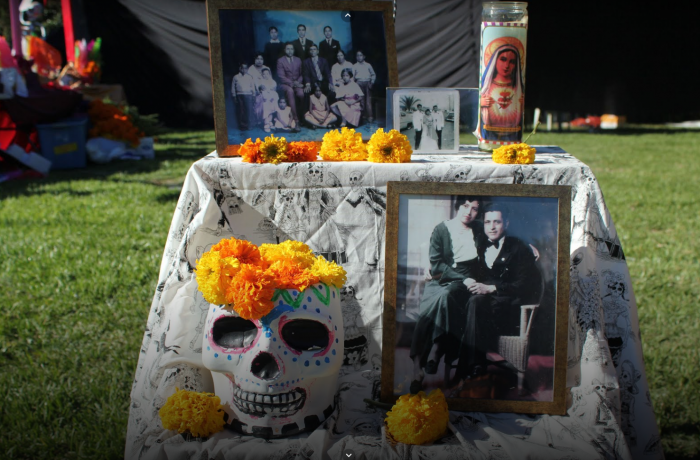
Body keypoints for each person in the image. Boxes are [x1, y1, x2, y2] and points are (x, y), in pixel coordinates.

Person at [409, 197, 484, 393]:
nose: (469, 212)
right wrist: (435, 269)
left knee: (447, 296)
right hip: (440, 278)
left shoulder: (480, 228)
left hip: (463, 282)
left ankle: (437, 349)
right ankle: (418, 368)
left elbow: (501, 238)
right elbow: (437, 262)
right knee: (426, 314)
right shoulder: (441, 229)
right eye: (465, 206)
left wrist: (528, 246)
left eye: (474, 209)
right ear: (458, 206)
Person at [458, 203, 540, 379]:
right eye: (488, 222)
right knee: (461, 301)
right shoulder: (479, 244)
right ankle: (473, 365)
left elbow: (525, 285)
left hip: (508, 309)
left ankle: (471, 367)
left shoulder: (519, 248)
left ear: (507, 223)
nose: (492, 227)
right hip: (482, 307)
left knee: (474, 303)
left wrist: (491, 288)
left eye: (497, 222)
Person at [479, 44, 524, 142]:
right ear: (495, 60)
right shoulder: (487, 86)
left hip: (512, 134)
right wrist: (480, 102)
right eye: (503, 59)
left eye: (512, 62)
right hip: (490, 133)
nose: (506, 66)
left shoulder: (518, 88)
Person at [277, 43, 304, 122]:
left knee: (301, 94)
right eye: (288, 49)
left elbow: (302, 74)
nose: (290, 51)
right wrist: (292, 83)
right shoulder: (280, 60)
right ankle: (295, 119)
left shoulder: (298, 60)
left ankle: (301, 116)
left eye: (291, 49)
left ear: (294, 50)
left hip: (297, 84)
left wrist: (298, 82)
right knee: (290, 91)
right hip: (285, 84)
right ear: (285, 50)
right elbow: (281, 77)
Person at [352, 50, 376, 123]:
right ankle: (362, 116)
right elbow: (352, 77)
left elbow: (373, 74)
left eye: (360, 55)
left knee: (368, 100)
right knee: (361, 100)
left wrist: (372, 82)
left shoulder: (368, 65)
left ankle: (370, 116)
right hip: (359, 83)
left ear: (364, 56)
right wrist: (354, 85)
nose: (359, 57)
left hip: (367, 82)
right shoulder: (354, 66)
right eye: (357, 56)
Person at [231, 63, 256, 130]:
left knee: (249, 110)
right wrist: (234, 96)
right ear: (240, 68)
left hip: (248, 95)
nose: (244, 70)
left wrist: (253, 95)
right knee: (241, 110)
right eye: (243, 68)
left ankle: (250, 125)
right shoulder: (236, 77)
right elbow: (233, 87)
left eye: (246, 68)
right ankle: (242, 125)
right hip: (240, 95)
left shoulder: (249, 77)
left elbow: (252, 87)